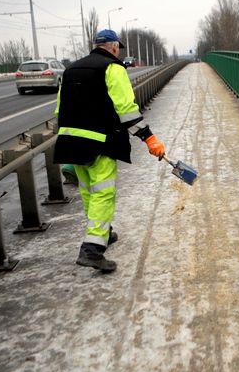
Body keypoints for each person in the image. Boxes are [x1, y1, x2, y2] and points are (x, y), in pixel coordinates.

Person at [53, 29, 165, 272]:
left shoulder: (70, 70)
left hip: (70, 141)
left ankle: (104, 231)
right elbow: (126, 110)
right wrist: (149, 139)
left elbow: (59, 110)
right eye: (119, 48)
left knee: (89, 191)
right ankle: (92, 250)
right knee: (103, 193)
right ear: (114, 47)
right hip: (99, 142)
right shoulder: (113, 69)